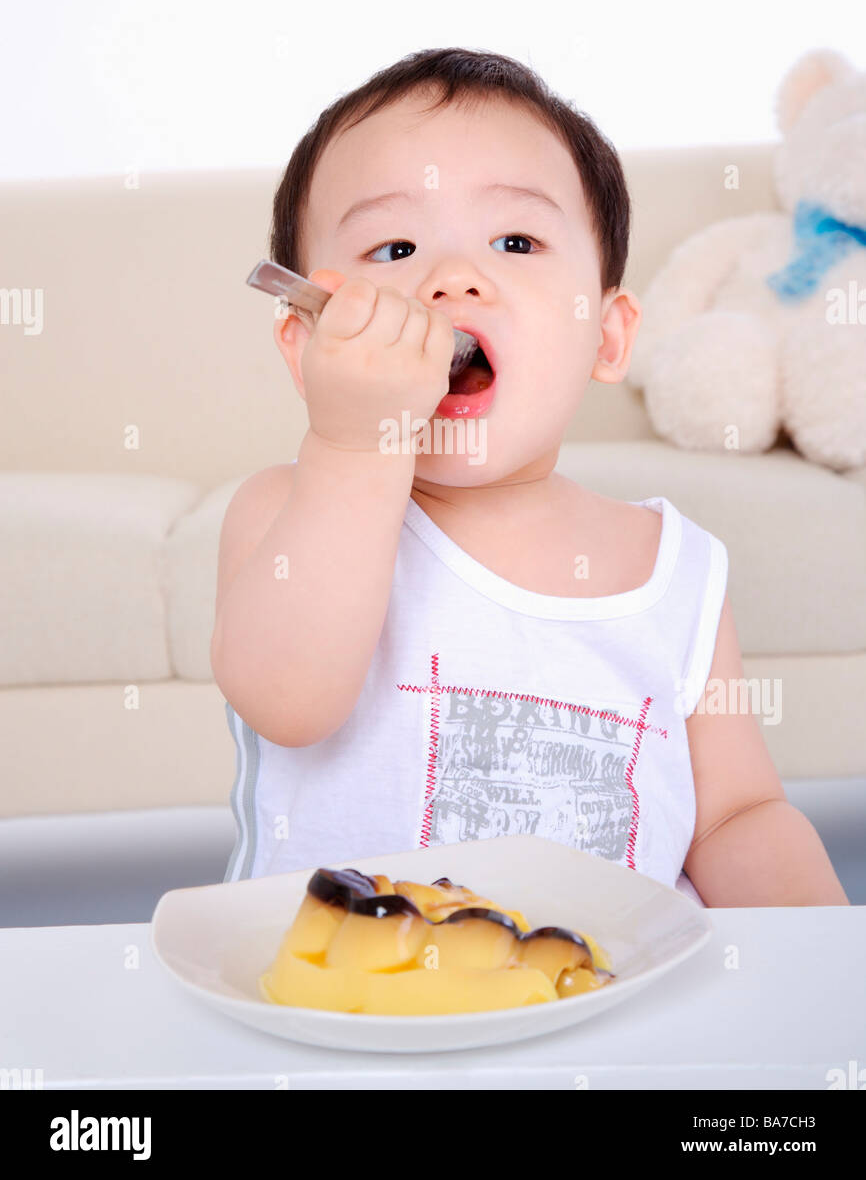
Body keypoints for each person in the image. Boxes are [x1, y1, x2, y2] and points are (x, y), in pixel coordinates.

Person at [211, 47, 848, 908]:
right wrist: (357, 443)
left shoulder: (677, 568)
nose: (452, 279)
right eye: (394, 247)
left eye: (516, 240)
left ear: (610, 337)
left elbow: (738, 816)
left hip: (611, 1015)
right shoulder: (288, 511)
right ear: (309, 341)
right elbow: (289, 701)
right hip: (352, 1018)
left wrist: (815, 960)